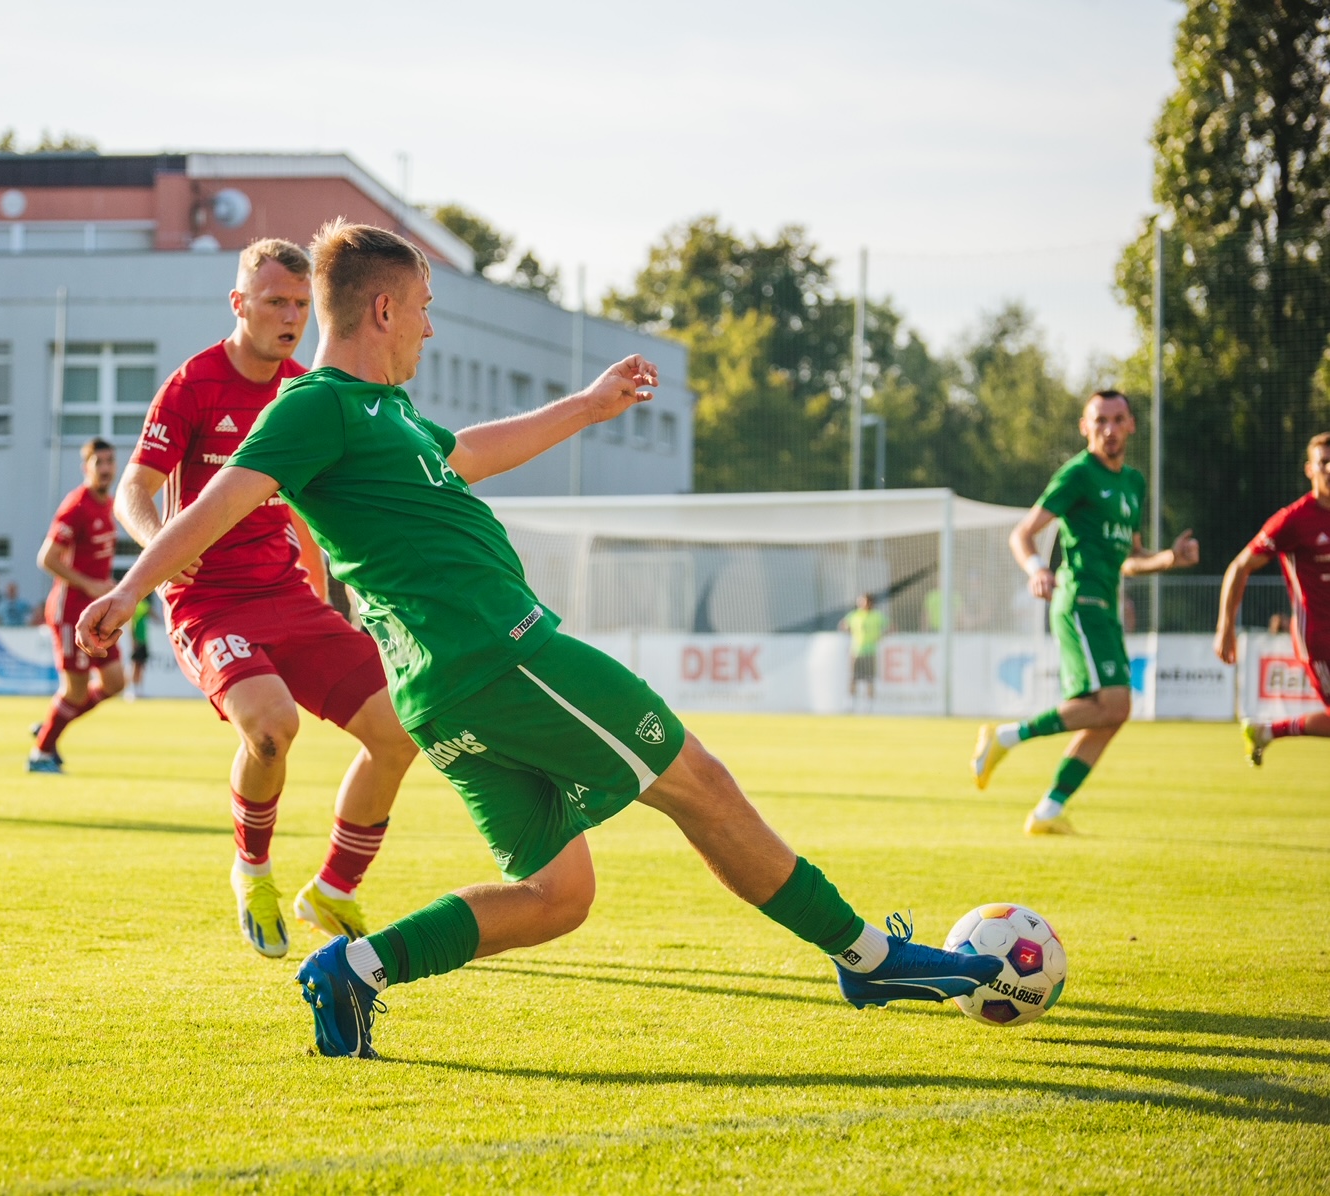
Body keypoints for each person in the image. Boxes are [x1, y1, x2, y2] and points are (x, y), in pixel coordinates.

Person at [79, 220, 1000, 1058]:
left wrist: (589, 407)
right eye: (425, 312)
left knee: (560, 898)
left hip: (444, 691)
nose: (429, 332)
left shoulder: (387, 414)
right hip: (502, 654)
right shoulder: (315, 407)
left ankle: (350, 975)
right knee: (698, 783)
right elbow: (218, 501)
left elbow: (471, 452)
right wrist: (126, 591)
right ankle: (867, 955)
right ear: (385, 307)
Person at [114, 236, 417, 959]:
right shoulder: (193, 385)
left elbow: (307, 505)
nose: (291, 317)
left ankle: (334, 890)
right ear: (239, 303)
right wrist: (159, 549)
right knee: (274, 727)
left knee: (400, 729)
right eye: (276, 301)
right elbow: (134, 487)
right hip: (209, 602)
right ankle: (252, 870)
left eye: (300, 304)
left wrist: (326, 593)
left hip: (286, 593)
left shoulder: (304, 392)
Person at [971, 390, 1199, 834]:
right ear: (1084, 426)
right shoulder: (1077, 474)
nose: (1109, 430)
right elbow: (1023, 534)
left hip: (1106, 607)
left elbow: (1130, 560)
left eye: (1118, 420)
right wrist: (1037, 568)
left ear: (1132, 424)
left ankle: (1049, 811)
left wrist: (1170, 558)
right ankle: (1004, 738)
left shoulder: (1133, 483)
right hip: (1078, 603)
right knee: (1112, 703)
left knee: (1114, 710)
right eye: (1100, 421)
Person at [1213, 432, 1330, 763]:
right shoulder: (1293, 519)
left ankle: (1266, 731)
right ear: (1310, 469)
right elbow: (1239, 566)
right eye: (1324, 462)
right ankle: (1269, 730)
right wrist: (1226, 627)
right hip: (1319, 637)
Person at [30, 438, 126, 773]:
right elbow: (47, 559)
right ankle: (41, 753)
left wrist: (105, 588)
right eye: (98, 462)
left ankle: (53, 725)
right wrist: (90, 585)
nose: (105, 468)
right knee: (74, 690)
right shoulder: (76, 505)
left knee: (115, 682)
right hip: (71, 609)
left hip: (96, 607)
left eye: (110, 461)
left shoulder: (108, 504)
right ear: (86, 467)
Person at [840, 594, 886, 707]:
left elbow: (891, 627)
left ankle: (869, 706)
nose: (860, 604)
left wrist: (881, 636)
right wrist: (848, 629)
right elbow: (843, 624)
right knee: (853, 677)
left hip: (870, 651)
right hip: (856, 651)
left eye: (863, 602)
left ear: (870, 602)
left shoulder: (877, 616)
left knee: (869, 679)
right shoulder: (855, 615)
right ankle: (850, 704)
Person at [126, 594, 151, 700]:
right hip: (138, 641)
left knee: (141, 666)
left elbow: (152, 614)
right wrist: (134, 640)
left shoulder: (144, 605)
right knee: (135, 666)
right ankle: (131, 690)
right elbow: (131, 624)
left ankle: (139, 690)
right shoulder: (135, 606)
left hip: (143, 640)